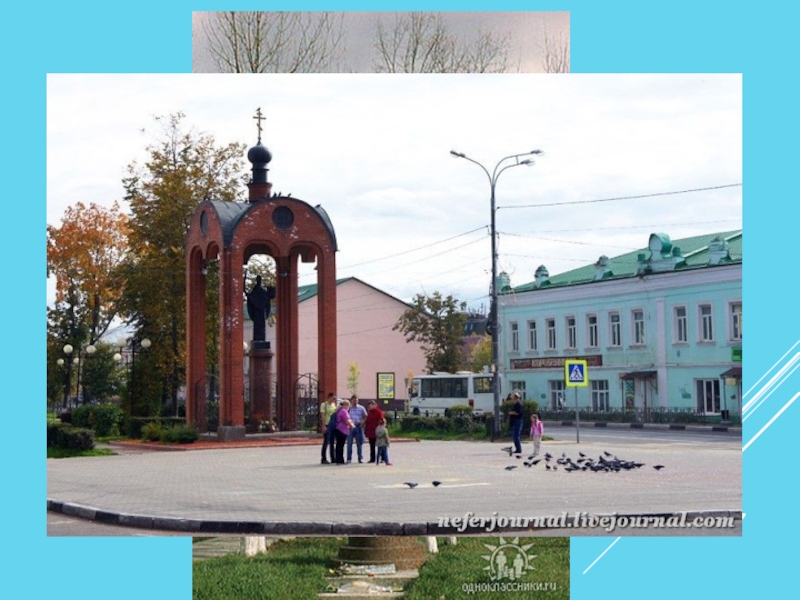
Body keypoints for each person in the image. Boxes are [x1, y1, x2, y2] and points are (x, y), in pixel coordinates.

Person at [246, 275, 276, 342]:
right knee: (258, 327)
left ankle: (261, 338)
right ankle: (259, 339)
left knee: (261, 327)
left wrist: (249, 297)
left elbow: (267, 298)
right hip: (259, 313)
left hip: (260, 313)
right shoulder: (257, 291)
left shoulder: (260, 291)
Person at [346, 395, 367, 463]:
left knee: (359, 443)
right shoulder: (349, 408)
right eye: (354, 400)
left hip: (358, 426)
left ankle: (360, 458)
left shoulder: (361, 408)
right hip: (350, 427)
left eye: (356, 400)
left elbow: (365, 416)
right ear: (351, 400)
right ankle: (349, 458)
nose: (355, 401)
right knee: (349, 443)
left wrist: (362, 423)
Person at [363, 399, 385, 464]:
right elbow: (367, 421)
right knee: (372, 446)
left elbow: (382, 420)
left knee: (380, 445)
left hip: (377, 431)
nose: (369, 406)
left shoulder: (378, 412)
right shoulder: (370, 412)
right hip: (371, 432)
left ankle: (383, 458)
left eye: (370, 405)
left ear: (374, 405)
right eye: (368, 405)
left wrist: (380, 429)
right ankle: (372, 459)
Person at [334, 399, 354, 465]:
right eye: (348, 405)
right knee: (340, 445)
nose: (349, 407)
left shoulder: (339, 410)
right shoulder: (344, 411)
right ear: (345, 405)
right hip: (342, 430)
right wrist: (352, 426)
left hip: (338, 429)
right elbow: (347, 421)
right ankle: (340, 460)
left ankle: (338, 459)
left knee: (339, 445)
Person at [319, 392, 338, 464]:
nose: (334, 400)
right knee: (326, 442)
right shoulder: (324, 404)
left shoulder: (333, 405)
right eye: (333, 398)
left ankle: (333, 458)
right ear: (329, 397)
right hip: (327, 424)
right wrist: (323, 426)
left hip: (332, 425)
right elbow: (323, 416)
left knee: (333, 442)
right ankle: (323, 458)